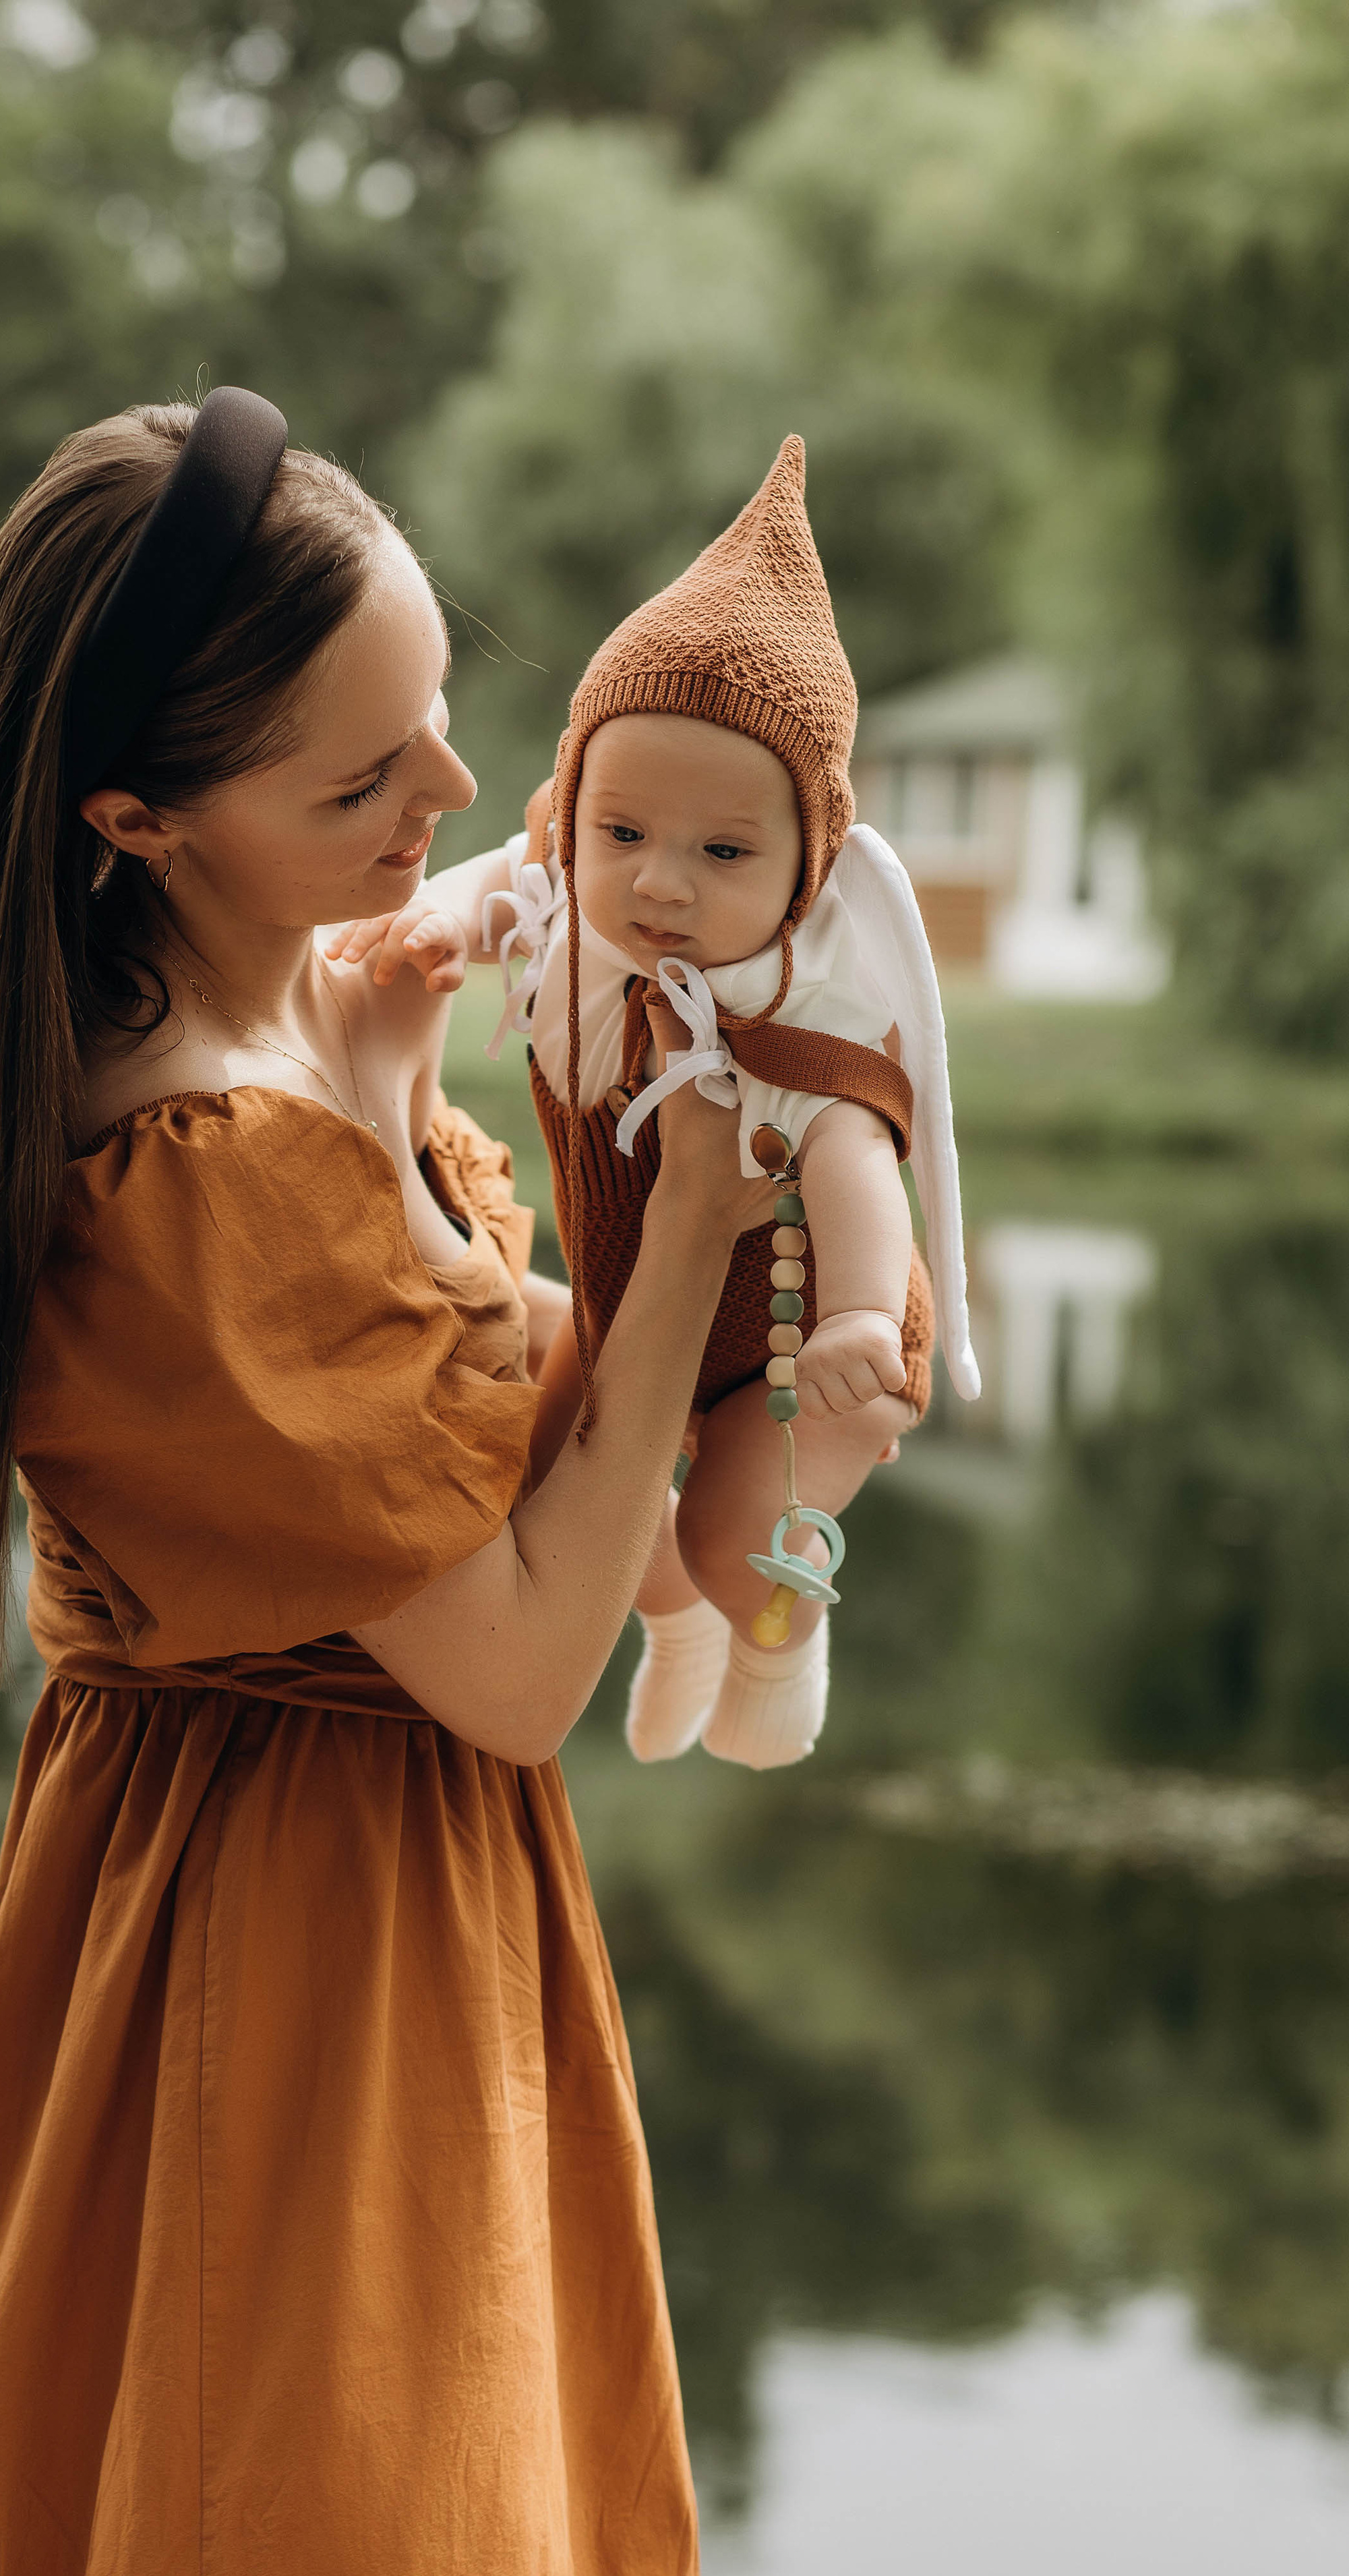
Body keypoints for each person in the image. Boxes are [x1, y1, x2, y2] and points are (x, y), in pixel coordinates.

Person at [0, 386, 766, 2576]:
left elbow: (439, 1442)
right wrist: (687, 1261)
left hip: (355, 1910)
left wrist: (388, 1092)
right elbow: (515, 1664)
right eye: (360, 780)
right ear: (135, 823)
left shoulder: (277, 1055)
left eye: (443, 719)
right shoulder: (184, 1172)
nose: (455, 803)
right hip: (301, 1969)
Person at [330, 437, 978, 1777]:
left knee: (727, 1526)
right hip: (644, 1306)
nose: (659, 885)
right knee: (546, 1474)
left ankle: (770, 1636)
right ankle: (675, 1624)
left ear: (807, 870)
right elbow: (500, 877)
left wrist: (861, 1311)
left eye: (722, 852)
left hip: (803, 1344)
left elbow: (857, 1164)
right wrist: (437, 927)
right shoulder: (574, 894)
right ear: (576, 803)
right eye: (620, 832)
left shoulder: (793, 1016)